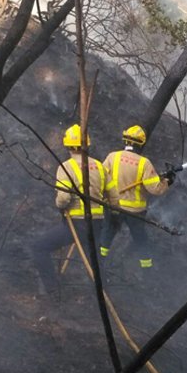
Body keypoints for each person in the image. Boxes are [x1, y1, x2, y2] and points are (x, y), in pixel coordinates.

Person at [32, 123, 106, 296]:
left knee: (39, 247)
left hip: (77, 224)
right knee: (93, 260)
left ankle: (51, 289)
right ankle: (100, 295)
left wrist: (60, 205)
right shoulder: (100, 166)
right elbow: (112, 196)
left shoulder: (66, 167)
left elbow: (64, 198)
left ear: (67, 145)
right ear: (86, 144)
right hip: (97, 223)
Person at [100, 124, 174, 269]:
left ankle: (98, 263)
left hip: (113, 206)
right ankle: (147, 270)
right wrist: (167, 181)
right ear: (141, 143)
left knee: (107, 234)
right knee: (140, 240)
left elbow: (100, 178)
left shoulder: (112, 157)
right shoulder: (144, 163)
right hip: (135, 212)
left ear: (125, 140)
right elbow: (155, 189)